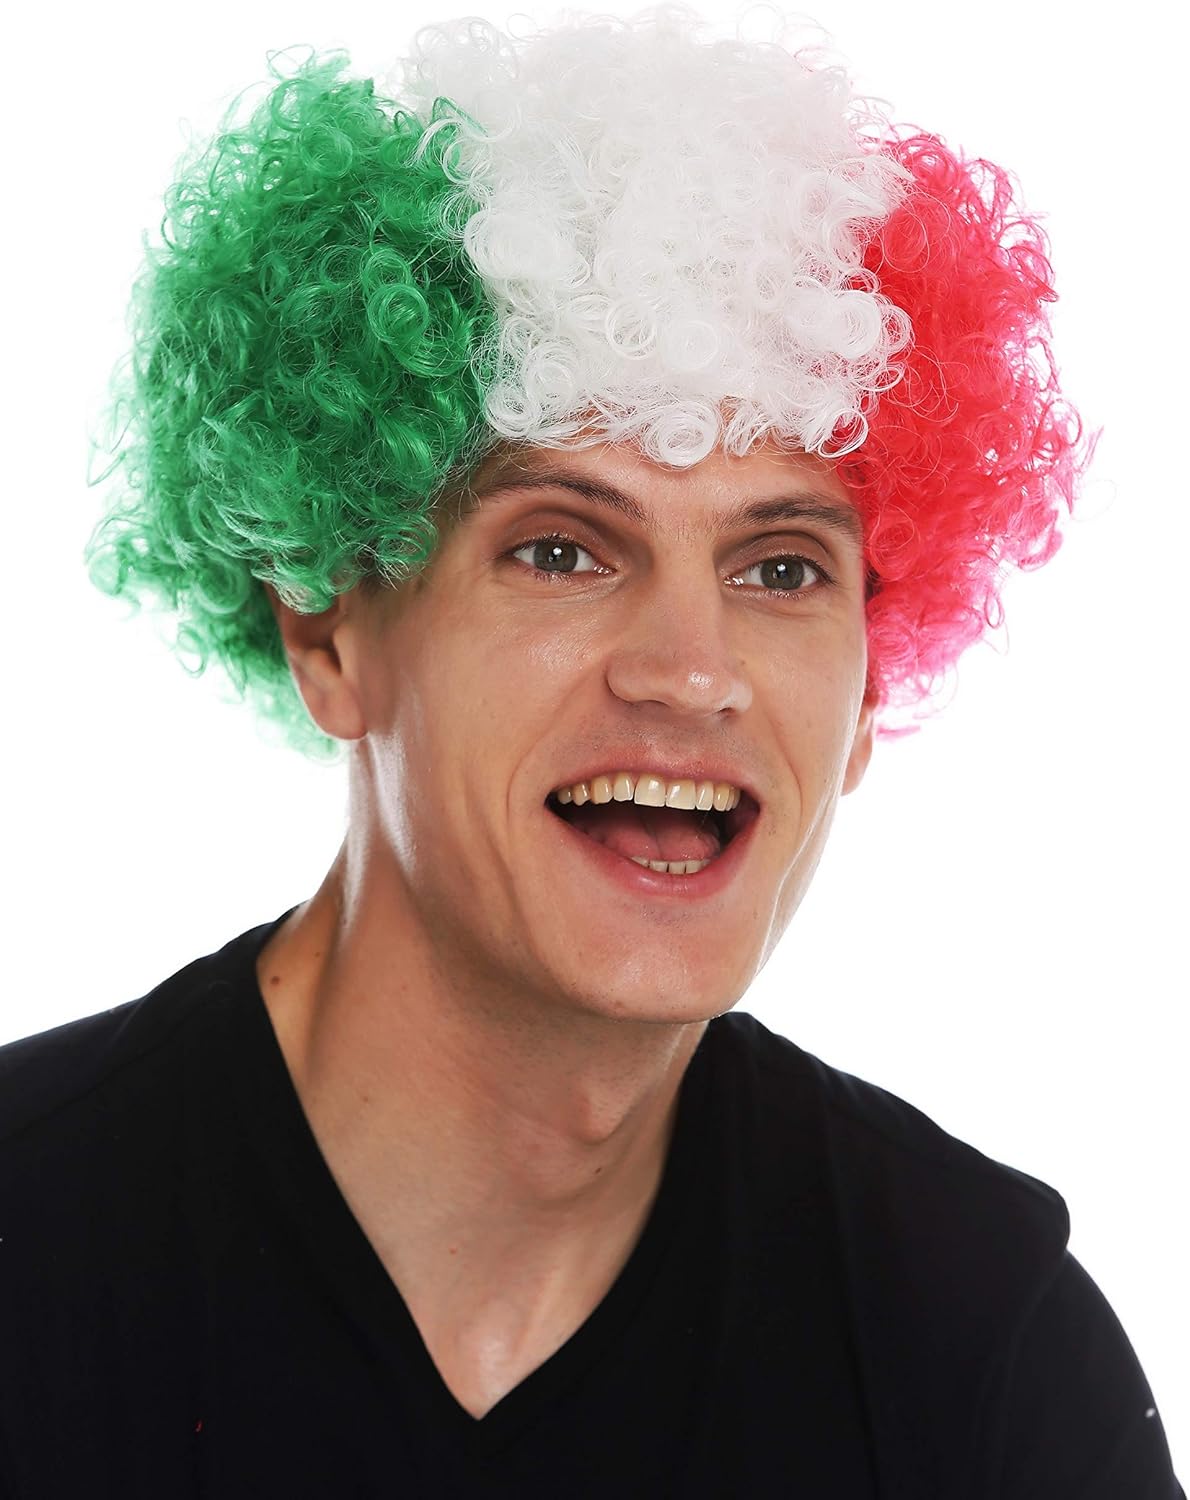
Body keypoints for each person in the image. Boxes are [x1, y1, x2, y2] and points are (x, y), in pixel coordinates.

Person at [0, 9, 1182, 1496]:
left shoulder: (975, 1343)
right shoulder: (30, 1245)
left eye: (779, 569)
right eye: (560, 549)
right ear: (329, 631)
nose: (693, 671)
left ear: (870, 684)